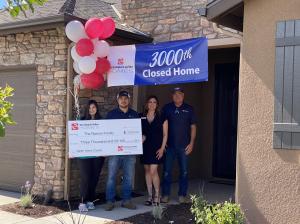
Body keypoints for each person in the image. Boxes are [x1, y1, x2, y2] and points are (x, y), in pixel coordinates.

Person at [105, 90, 140, 211]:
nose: (123, 100)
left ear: (129, 100)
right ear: (117, 100)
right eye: (121, 98)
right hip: (115, 152)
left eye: (125, 98)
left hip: (129, 152)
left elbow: (138, 132)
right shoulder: (111, 114)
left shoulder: (135, 114)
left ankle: (127, 201)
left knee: (129, 177)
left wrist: (142, 137)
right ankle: (110, 201)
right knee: (111, 177)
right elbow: (106, 133)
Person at [161, 87, 197, 204]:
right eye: (175, 94)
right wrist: (162, 143)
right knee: (166, 171)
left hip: (184, 146)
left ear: (183, 95)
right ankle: (165, 195)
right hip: (169, 146)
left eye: (180, 94)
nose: (178, 96)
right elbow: (161, 126)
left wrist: (191, 143)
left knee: (184, 172)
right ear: (172, 96)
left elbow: (193, 127)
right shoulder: (166, 108)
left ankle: (182, 195)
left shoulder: (189, 109)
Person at [78, 100, 105, 212]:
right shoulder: (81, 120)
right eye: (89, 108)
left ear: (96, 108)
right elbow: (75, 137)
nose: (92, 109)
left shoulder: (102, 122)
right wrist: (72, 151)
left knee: (94, 178)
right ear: (87, 109)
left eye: (94, 107)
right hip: (84, 155)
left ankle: (90, 200)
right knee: (86, 178)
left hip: (98, 155)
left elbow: (106, 137)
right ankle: (82, 202)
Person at [141, 96, 168, 206]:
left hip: (157, 148)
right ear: (147, 104)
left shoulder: (162, 117)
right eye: (150, 102)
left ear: (157, 104)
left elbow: (166, 134)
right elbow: (135, 130)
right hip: (145, 147)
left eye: (154, 102)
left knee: (153, 171)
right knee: (147, 171)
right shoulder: (141, 116)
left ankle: (157, 194)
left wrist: (162, 148)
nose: (152, 104)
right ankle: (149, 196)